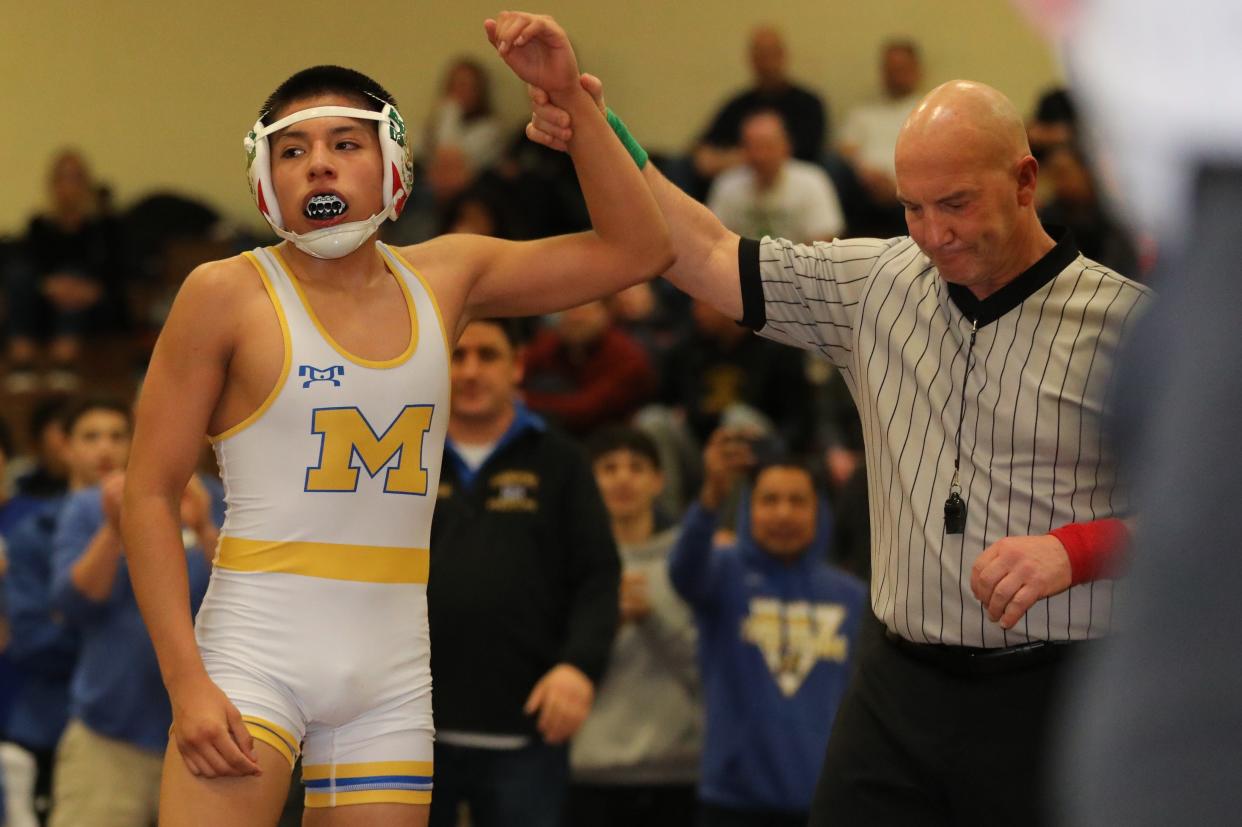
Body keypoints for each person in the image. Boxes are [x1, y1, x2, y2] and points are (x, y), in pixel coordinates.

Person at [526, 45, 1152, 824]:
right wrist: (597, 128)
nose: (932, 234)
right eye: (912, 208)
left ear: (1026, 181)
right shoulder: (878, 284)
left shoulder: (1130, 325)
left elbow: (1209, 524)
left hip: (1052, 692)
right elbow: (710, 252)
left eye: (955, 204)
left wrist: (1073, 550)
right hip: (896, 685)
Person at [121, 14, 671, 827]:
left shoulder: (446, 275)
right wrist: (186, 681)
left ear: (393, 161)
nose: (319, 164)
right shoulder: (224, 294)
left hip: (391, 675)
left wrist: (572, 105)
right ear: (265, 180)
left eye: (345, 143)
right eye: (293, 150)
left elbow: (638, 249)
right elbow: (148, 493)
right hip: (253, 657)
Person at [426, 318, 619, 827]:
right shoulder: (401, 456)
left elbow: (599, 577)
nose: (469, 371)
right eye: (457, 355)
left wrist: (579, 666)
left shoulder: (562, 463)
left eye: (487, 356)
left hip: (528, 733)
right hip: (409, 729)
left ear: (517, 366)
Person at [670, 427, 864, 826]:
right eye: (769, 500)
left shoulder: (854, 597)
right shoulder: (722, 574)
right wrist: (710, 499)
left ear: (819, 510)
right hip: (732, 803)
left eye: (797, 501)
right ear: (747, 509)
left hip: (826, 803)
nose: (783, 514)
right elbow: (682, 571)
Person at [49, 403, 219, 827]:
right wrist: (114, 528)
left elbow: (250, 595)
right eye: (92, 436)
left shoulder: (218, 496)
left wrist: (203, 530)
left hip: (206, 734)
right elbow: (72, 605)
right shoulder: (90, 505)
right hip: (109, 733)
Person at [1, 398, 128, 827]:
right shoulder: (33, 531)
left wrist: (76, 619)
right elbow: (34, 641)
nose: (105, 449)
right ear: (65, 446)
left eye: (117, 436)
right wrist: (114, 639)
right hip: (51, 722)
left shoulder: (167, 520)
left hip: (140, 722)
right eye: (91, 437)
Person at [568, 427, 701, 827]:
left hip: (680, 772)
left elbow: (711, 670)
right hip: (589, 770)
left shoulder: (690, 563)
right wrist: (605, 624)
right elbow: (553, 670)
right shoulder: (567, 567)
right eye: (608, 468)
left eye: (636, 467)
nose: (623, 478)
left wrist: (652, 618)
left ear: (658, 481)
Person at [4, 151, 128, 393]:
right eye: (62, 178)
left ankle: (65, 359)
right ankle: (22, 358)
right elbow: (34, 267)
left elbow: (118, 271)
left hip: (94, 302)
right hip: (46, 301)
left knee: (74, 276)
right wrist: (49, 285)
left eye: (75, 178)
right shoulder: (39, 225)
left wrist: (91, 289)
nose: (68, 187)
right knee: (19, 274)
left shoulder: (106, 226)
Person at [693, 26, 827, 183]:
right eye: (760, 54)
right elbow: (705, 148)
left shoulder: (808, 103)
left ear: (783, 55)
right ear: (751, 59)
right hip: (740, 181)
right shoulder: (736, 105)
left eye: (771, 53)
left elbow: (806, 151)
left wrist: (747, 157)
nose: (767, 61)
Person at [521, 300, 657, 436]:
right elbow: (518, 370)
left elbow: (588, 410)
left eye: (584, 311)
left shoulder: (627, 356)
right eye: (568, 311)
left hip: (613, 433)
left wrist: (523, 401)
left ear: (606, 314)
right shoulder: (551, 344)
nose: (575, 317)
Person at [707, 110, 844, 243]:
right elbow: (717, 240)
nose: (760, 156)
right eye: (752, 146)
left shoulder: (812, 181)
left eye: (767, 146)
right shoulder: (727, 185)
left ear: (786, 146)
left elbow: (824, 239)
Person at [836, 39, 924, 236]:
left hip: (910, 193)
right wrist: (866, 174)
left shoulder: (928, 110)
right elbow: (845, 151)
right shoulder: (862, 113)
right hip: (865, 191)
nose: (896, 75)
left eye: (901, 68)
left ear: (916, 69)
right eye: (890, 69)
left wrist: (896, 186)